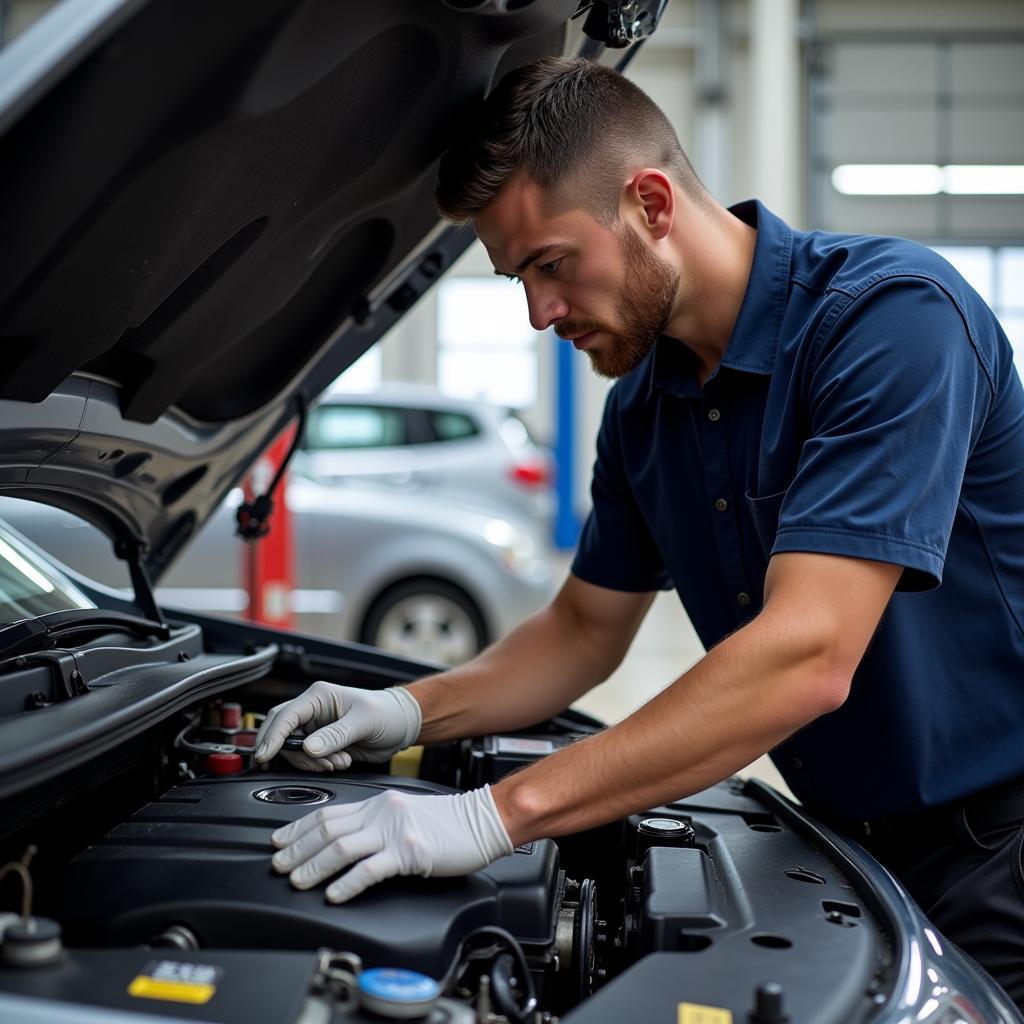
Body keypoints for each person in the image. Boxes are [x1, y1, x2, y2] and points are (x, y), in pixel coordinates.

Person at [254, 57, 1024, 1006]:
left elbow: (809, 655)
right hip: (848, 850)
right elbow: (582, 631)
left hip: (1002, 850)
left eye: (550, 264)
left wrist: (497, 816)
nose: (539, 313)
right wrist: (409, 709)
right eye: (516, 280)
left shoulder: (890, 322)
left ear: (652, 204)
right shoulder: (645, 407)